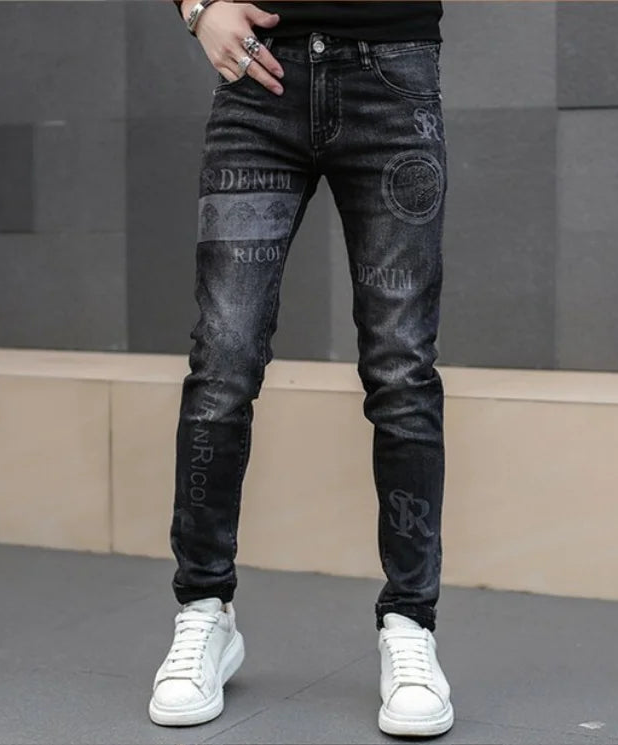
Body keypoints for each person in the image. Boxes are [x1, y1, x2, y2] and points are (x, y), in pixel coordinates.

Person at [149, 0, 453, 737]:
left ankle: (410, 624)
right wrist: (197, 7)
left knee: (401, 370)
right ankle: (204, 610)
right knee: (222, 363)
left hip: (393, 77)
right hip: (259, 82)